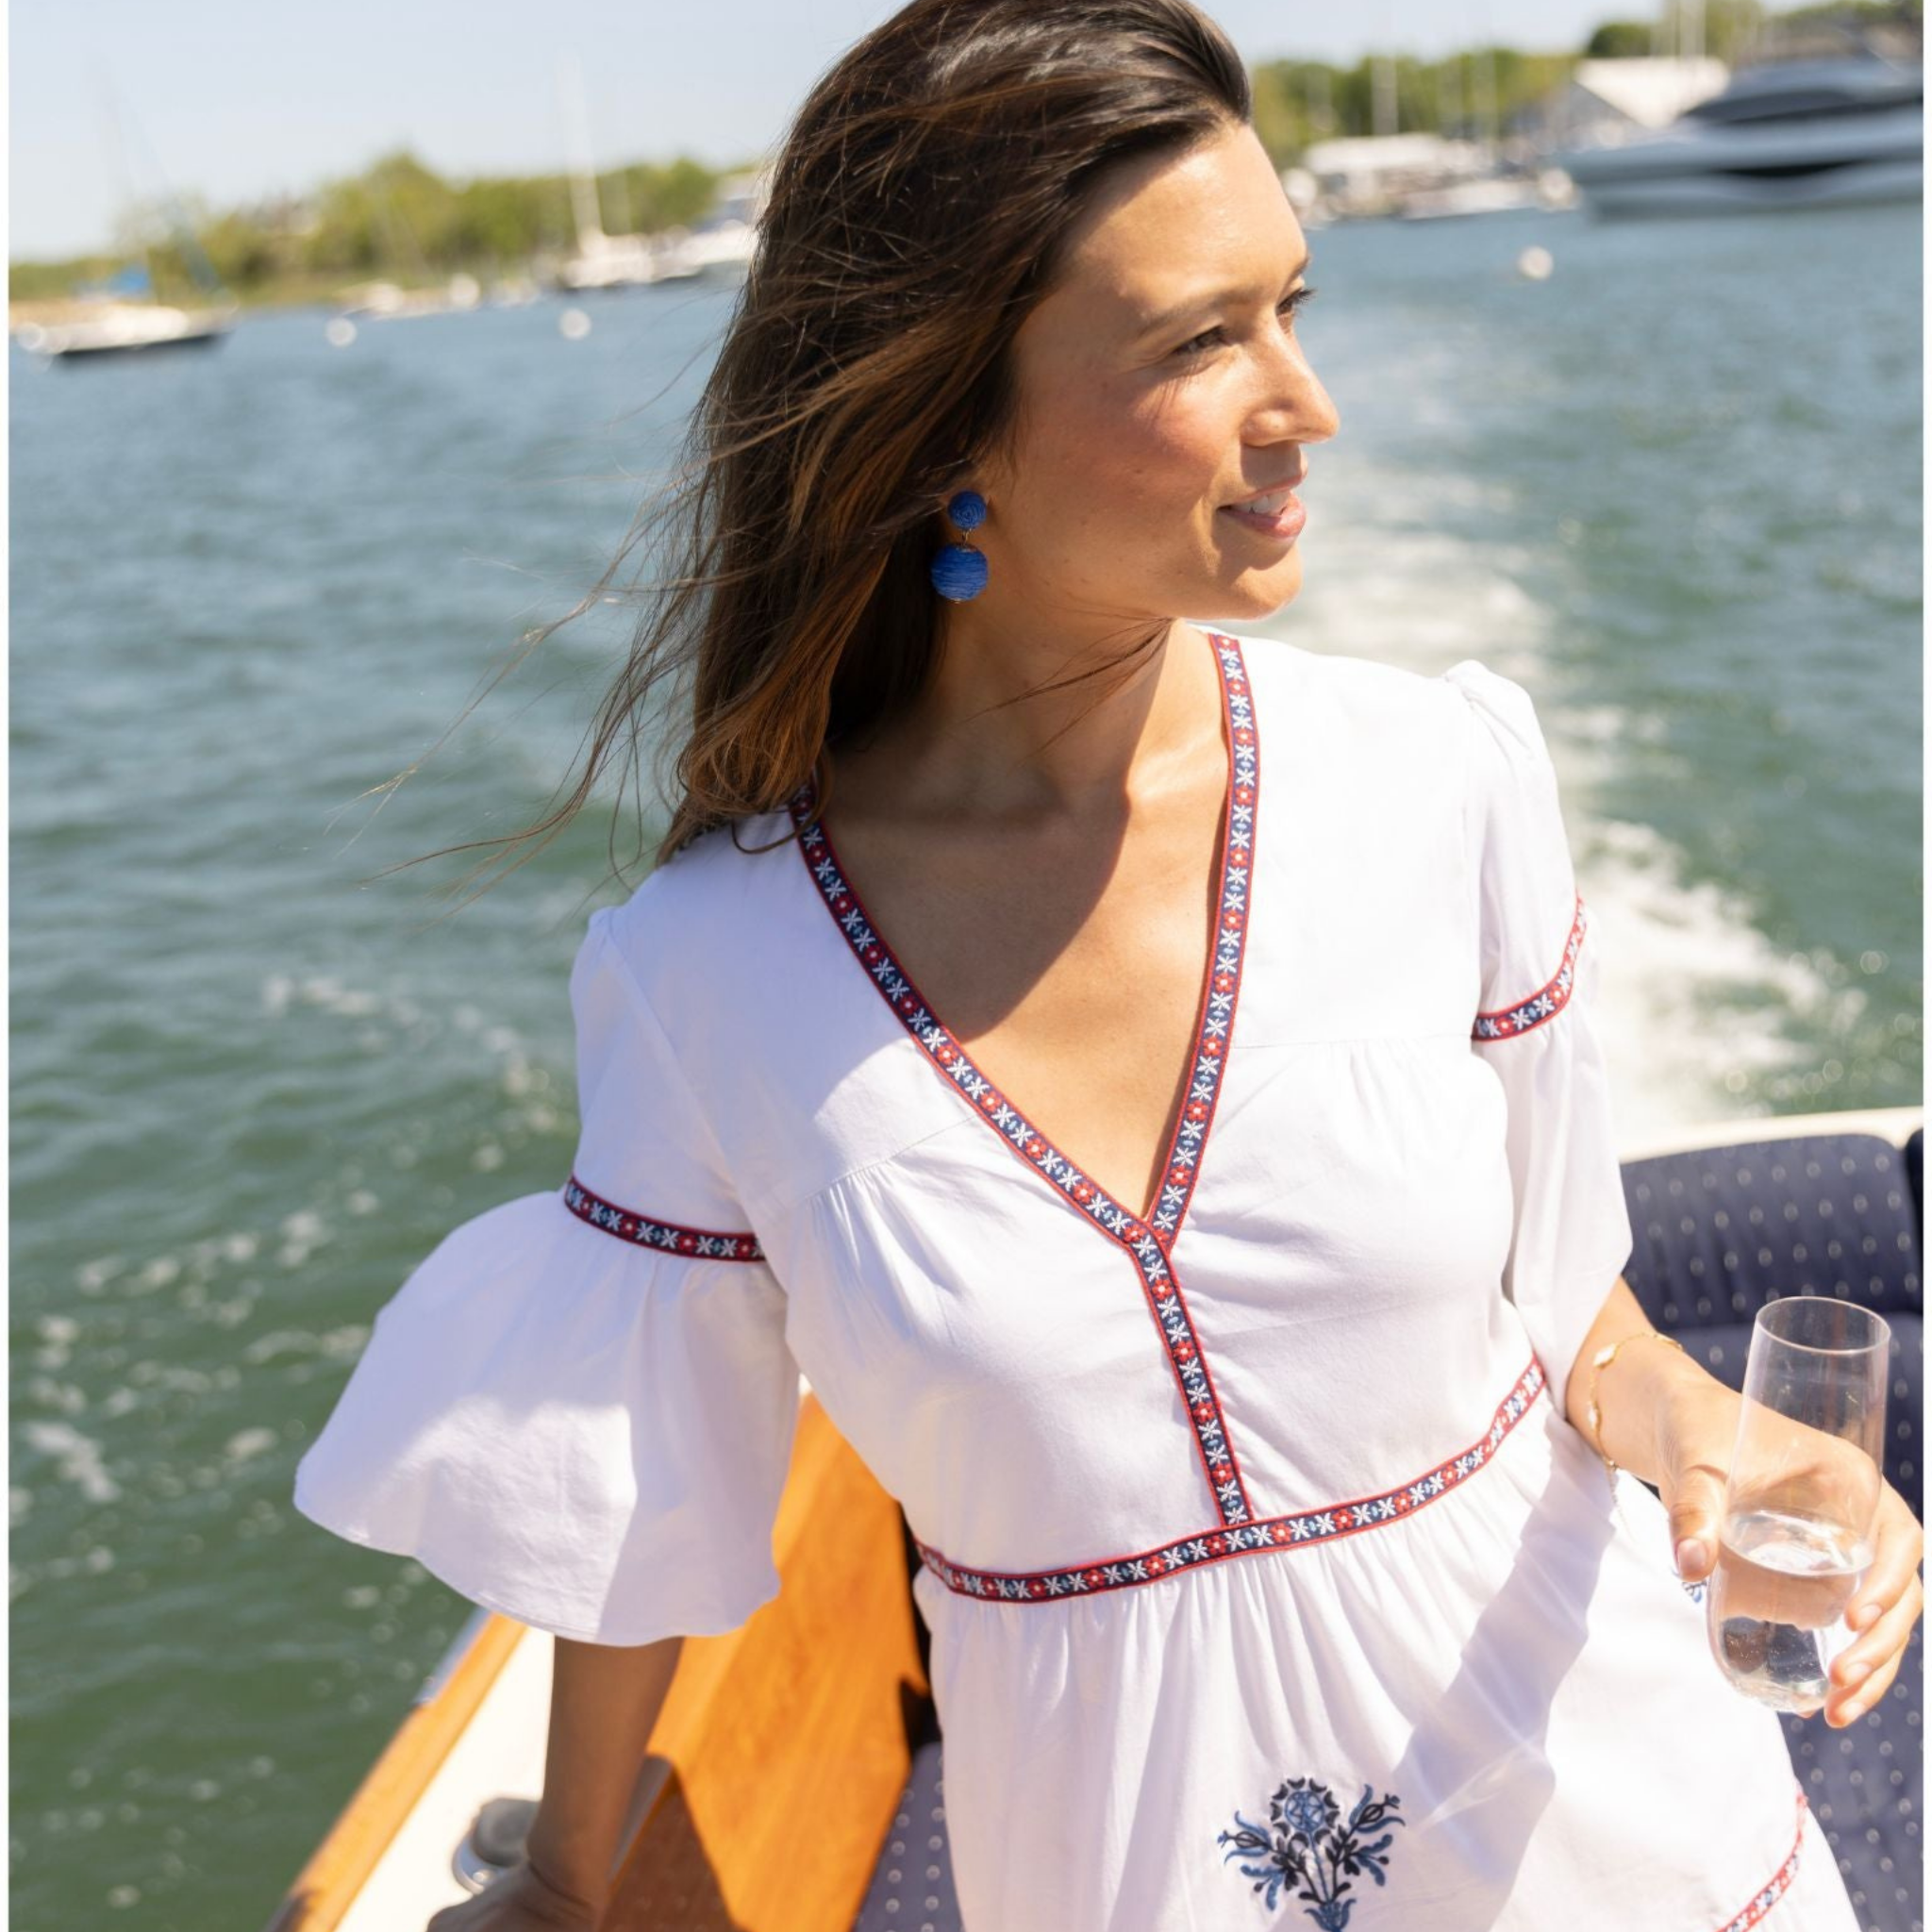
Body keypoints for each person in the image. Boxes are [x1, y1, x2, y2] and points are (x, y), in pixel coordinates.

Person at [291, 4, 1924, 1927]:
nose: (1306, 403)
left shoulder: (1443, 777)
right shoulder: (706, 972)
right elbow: (628, 1497)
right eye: (1200, 341)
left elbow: (1580, 1319)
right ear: (941, 423)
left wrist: (1712, 1429)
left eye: (1291, 307)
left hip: (1626, 1837)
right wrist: (571, 1887)